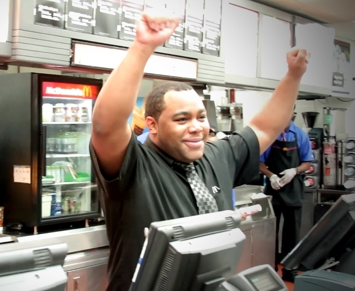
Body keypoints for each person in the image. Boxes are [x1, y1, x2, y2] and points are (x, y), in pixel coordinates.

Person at [89, 11, 309, 291]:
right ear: (152, 125)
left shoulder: (218, 154)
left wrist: (294, 75)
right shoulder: (133, 164)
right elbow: (106, 124)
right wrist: (143, 48)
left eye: (201, 117)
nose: (196, 127)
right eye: (182, 119)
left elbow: (266, 127)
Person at [260, 108, 312, 282]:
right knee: (270, 234)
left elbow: (307, 163)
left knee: (292, 234)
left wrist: (294, 170)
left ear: (293, 115)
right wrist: (271, 176)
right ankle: (271, 269)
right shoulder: (270, 135)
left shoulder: (301, 136)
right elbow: (260, 163)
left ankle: (290, 271)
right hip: (273, 191)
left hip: (293, 190)